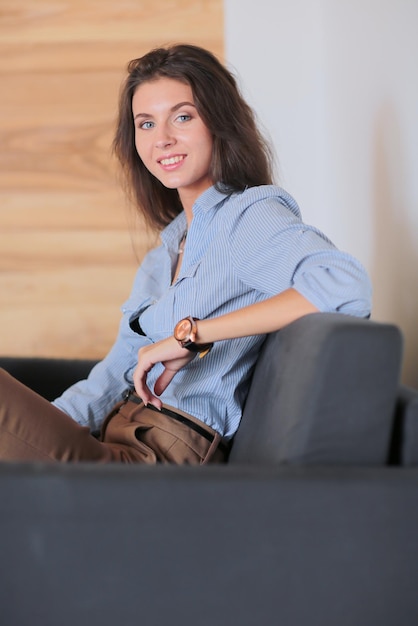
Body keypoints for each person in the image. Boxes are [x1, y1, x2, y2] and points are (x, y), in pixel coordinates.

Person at [0, 44, 372, 464]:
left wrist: (193, 334)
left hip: (158, 463)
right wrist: (33, 429)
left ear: (219, 122)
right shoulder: (166, 250)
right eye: (145, 123)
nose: (162, 139)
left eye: (182, 116)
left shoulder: (247, 216)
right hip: (110, 442)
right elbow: (114, 371)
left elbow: (345, 287)